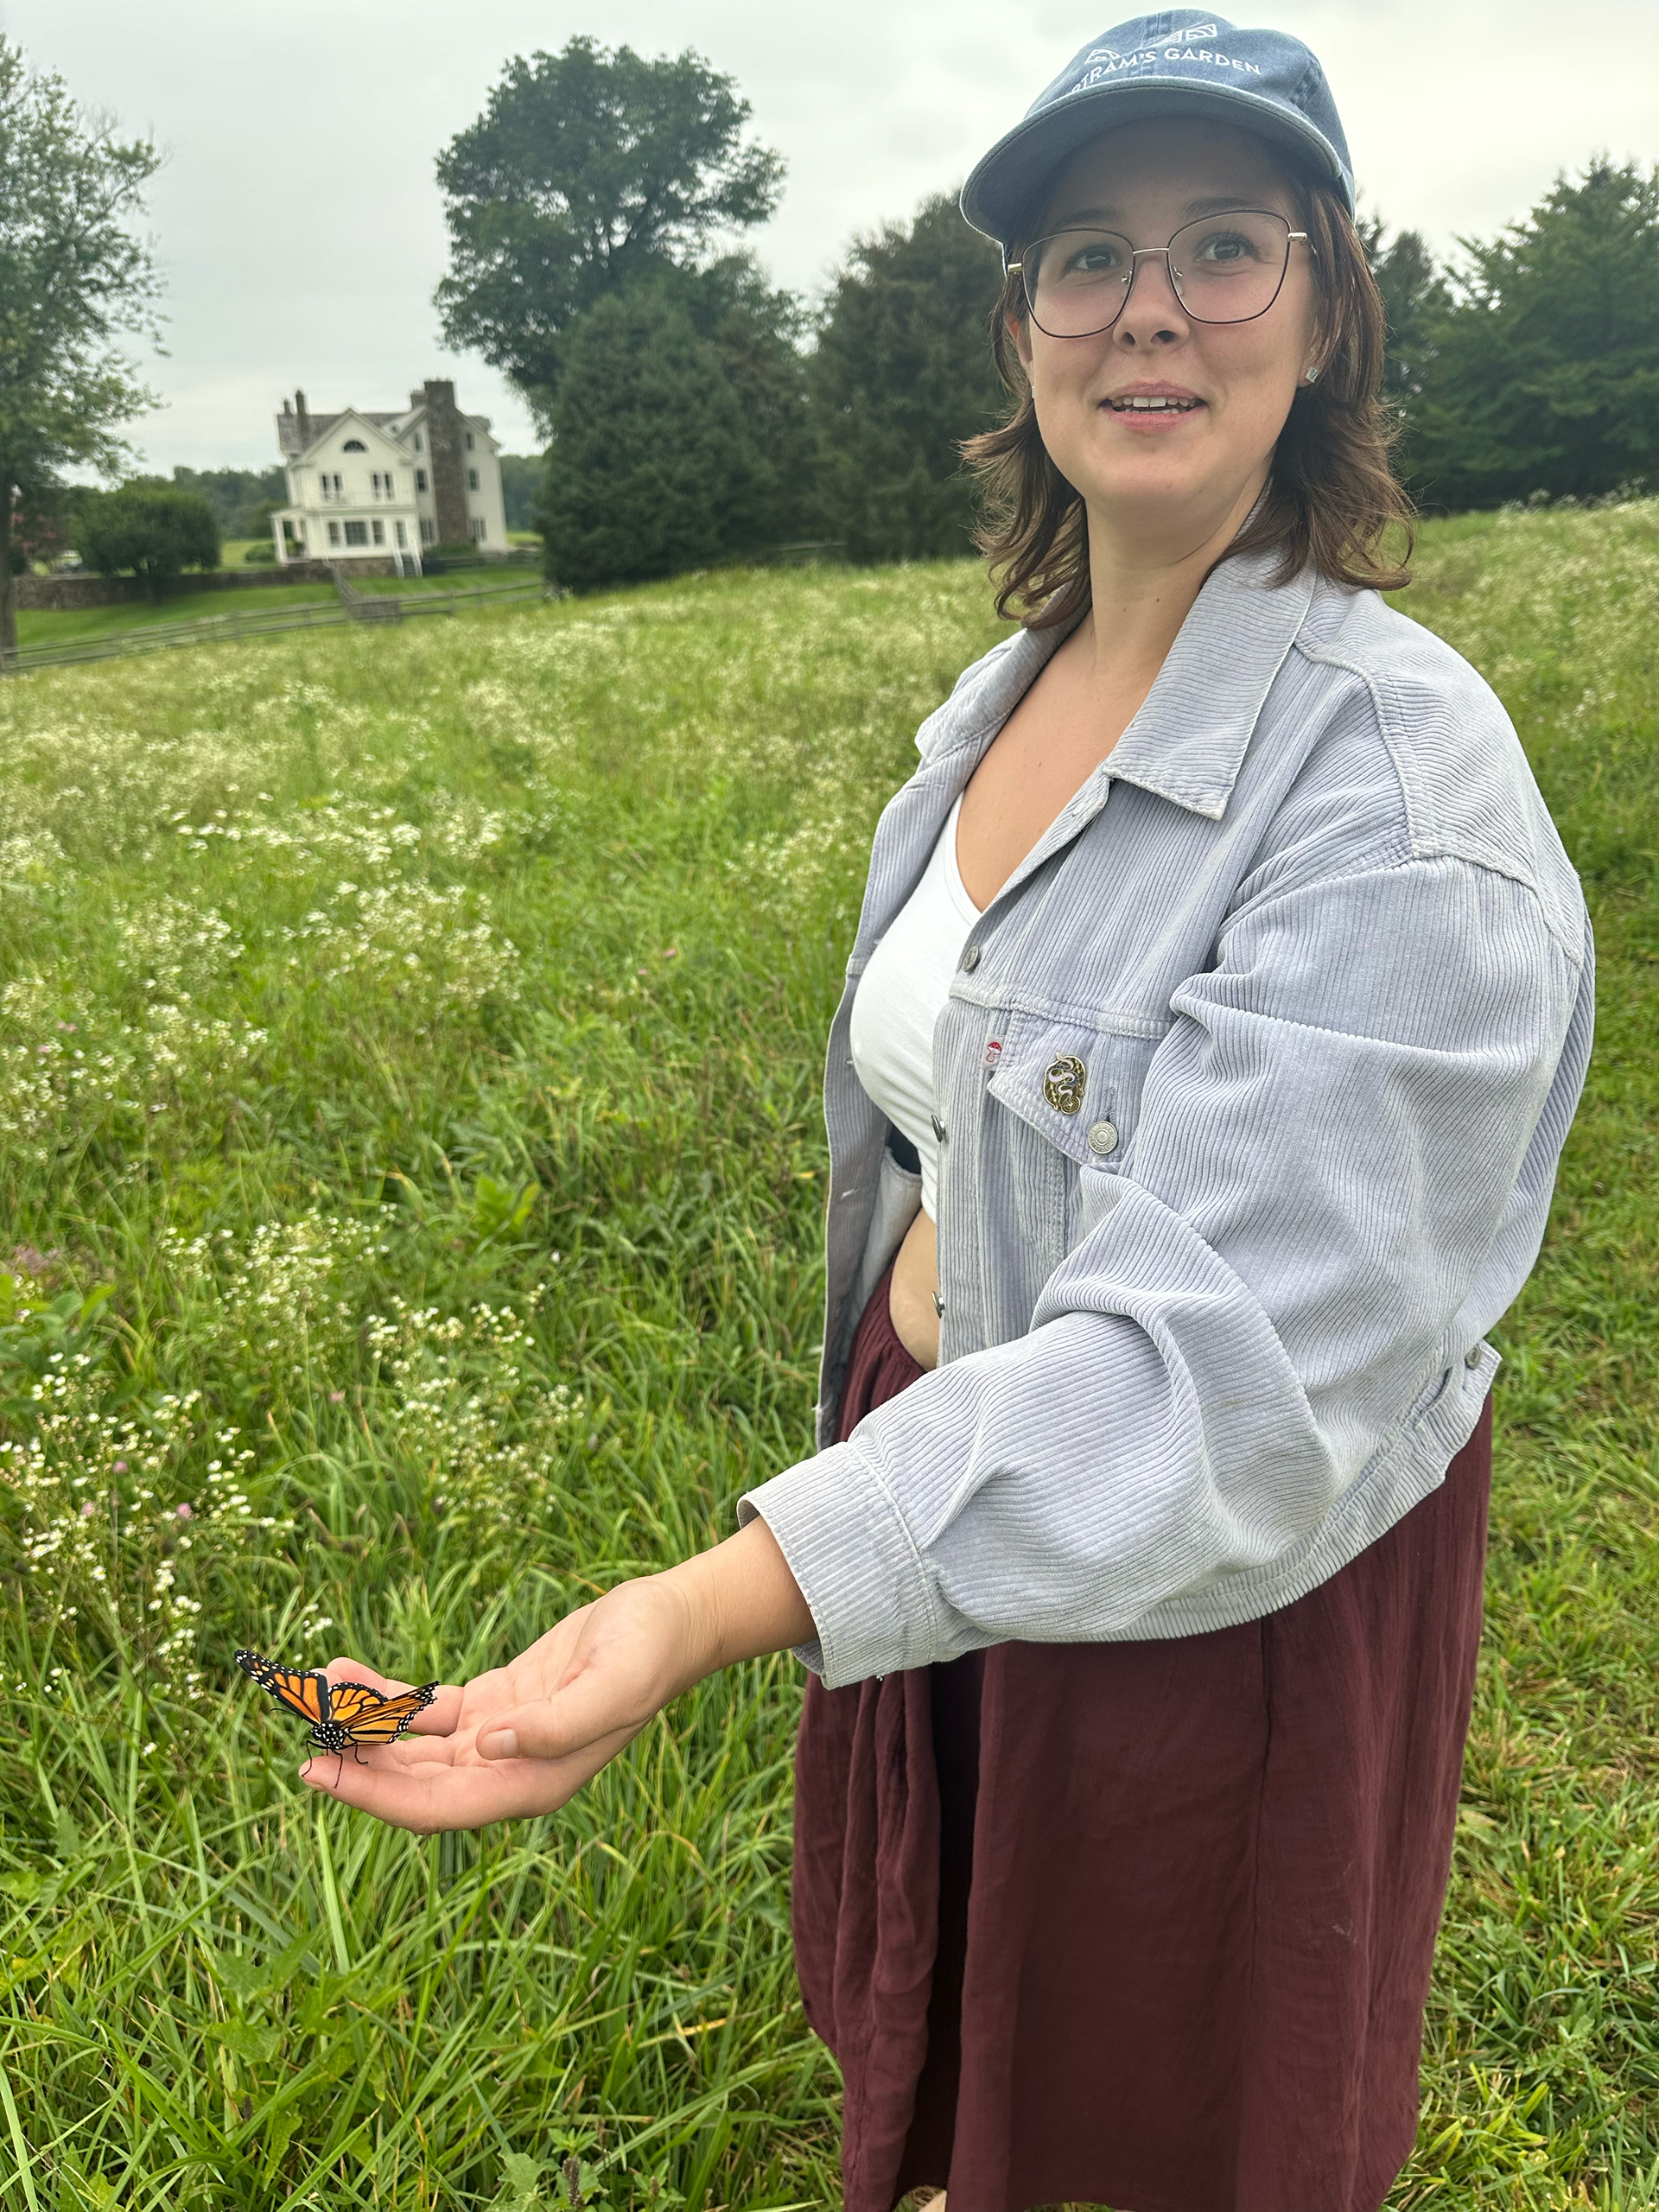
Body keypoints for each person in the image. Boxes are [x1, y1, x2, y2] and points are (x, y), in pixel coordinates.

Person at [309, 14, 1594, 2210]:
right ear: (1020, 328)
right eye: (1086, 256)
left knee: (1166, 2113)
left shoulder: (1402, 797)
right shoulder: (989, 712)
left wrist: (709, 1598)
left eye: (1225, 243)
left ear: (1334, 301)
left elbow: (1228, 1385)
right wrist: (842, 1484)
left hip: (1209, 1586)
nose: (1152, 311)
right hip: (939, 1477)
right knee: (960, 2037)